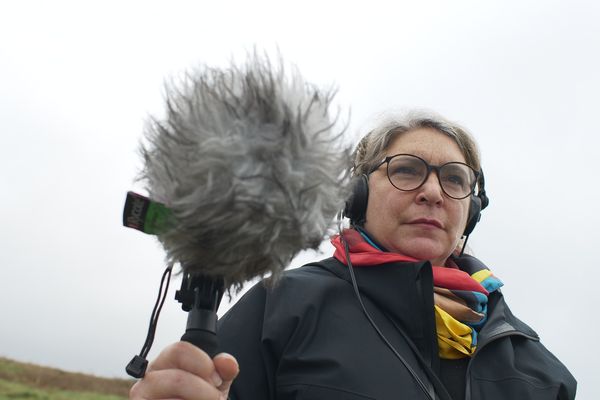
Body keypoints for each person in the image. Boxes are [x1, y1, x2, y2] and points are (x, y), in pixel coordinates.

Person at [129, 111, 577, 400]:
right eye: (406, 170)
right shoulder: (283, 307)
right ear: (357, 195)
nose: (433, 192)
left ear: (471, 211)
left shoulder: (537, 364)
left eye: (455, 180)